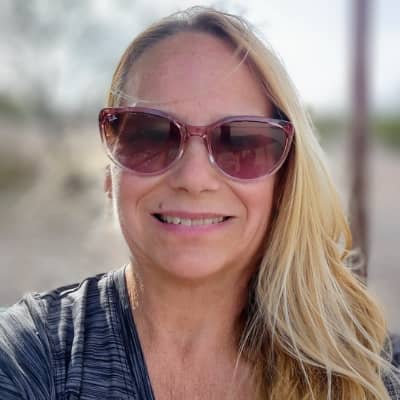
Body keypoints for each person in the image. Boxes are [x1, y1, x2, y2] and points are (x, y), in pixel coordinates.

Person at [0, 6, 399, 400]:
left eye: (240, 142)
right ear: (111, 173)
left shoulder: (371, 373)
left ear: (284, 181)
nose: (193, 179)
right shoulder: (30, 356)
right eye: (151, 135)